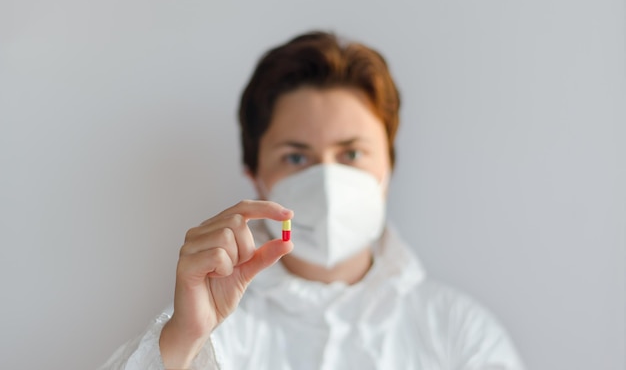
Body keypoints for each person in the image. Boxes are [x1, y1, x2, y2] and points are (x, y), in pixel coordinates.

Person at [100, 31, 525, 370]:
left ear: (388, 171)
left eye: (351, 154)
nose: (327, 181)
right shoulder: (214, 329)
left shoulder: (455, 331)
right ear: (256, 177)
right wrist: (182, 342)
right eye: (297, 157)